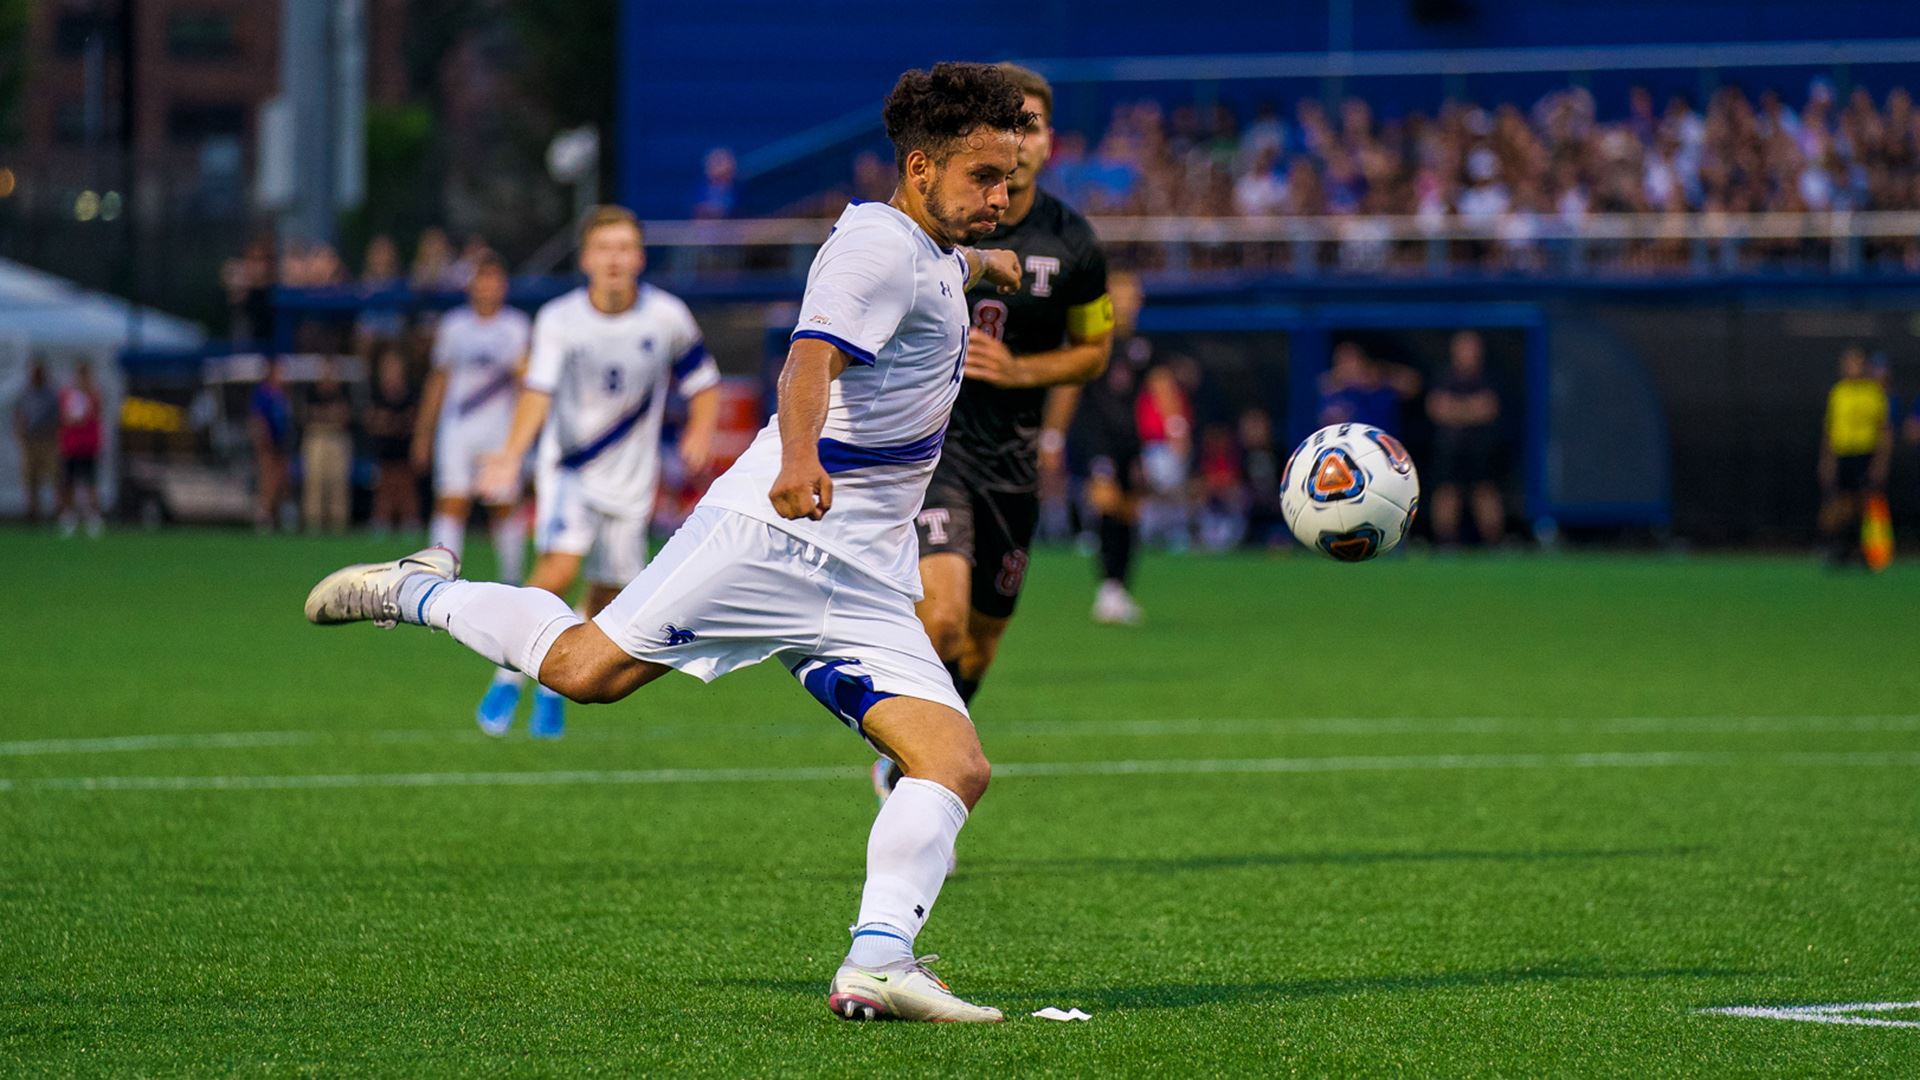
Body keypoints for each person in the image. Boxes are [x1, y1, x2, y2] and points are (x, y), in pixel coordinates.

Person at [303, 62, 1027, 1023]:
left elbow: (939, 274)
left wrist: (986, 263)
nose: (1002, 199)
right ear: (922, 167)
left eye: (1010, 182)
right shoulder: (874, 247)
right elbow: (810, 357)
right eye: (984, 179)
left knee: (955, 763)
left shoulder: (931, 248)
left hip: (859, 577)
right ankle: (420, 589)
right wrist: (799, 456)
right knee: (584, 670)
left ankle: (878, 961)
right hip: (771, 536)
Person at [905, 62, 1114, 749]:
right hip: (934, 449)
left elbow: (1094, 351)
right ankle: (915, 761)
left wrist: (1022, 369)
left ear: (1052, 141)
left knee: (982, 644)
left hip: (1012, 461)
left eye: (1032, 125)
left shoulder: (1074, 242)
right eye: (1008, 124)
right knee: (943, 620)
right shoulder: (940, 222)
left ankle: (921, 750)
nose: (1020, 141)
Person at [469, 206, 722, 739]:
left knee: (607, 597)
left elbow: (703, 382)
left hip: (632, 484)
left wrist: (701, 429)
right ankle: (505, 680)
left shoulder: (667, 316)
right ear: (585, 258)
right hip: (570, 473)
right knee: (557, 570)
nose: (614, 259)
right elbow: (536, 392)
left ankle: (550, 684)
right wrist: (513, 452)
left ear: (640, 257)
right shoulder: (560, 319)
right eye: (604, 248)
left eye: (625, 247)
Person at [411, 254, 533, 586]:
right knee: (452, 500)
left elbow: (529, 384)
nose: (488, 287)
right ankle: (437, 582)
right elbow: (438, 380)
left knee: (504, 504)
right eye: (482, 280)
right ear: (472, 285)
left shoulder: (516, 326)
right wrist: (424, 431)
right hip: (458, 428)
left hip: (501, 428)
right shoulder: (454, 326)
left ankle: (512, 581)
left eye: (494, 280)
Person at [1067, 270, 1148, 623]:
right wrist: (1054, 437)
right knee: (1107, 503)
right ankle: (1106, 589)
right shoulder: (1093, 341)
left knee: (1130, 511)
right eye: (1123, 292)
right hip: (1097, 438)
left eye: (1133, 294)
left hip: (1130, 441)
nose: (1130, 300)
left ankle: (1119, 587)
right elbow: (1068, 389)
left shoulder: (1140, 346)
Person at [1426, 330, 1506, 546]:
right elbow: (1436, 407)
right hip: (1450, 448)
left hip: (1481, 449)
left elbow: (1488, 408)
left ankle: (1493, 544)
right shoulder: (1443, 375)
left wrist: (1455, 410)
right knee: (1447, 492)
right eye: (1463, 347)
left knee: (1485, 492)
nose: (1468, 352)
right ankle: (1445, 544)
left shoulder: (1488, 377)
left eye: (1472, 347)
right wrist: (1470, 409)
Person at [1818, 345, 1891, 565]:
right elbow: (1829, 431)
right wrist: (1826, 461)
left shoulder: (1874, 393)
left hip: (1864, 454)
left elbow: (1884, 432)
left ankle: (1862, 550)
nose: (1852, 367)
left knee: (1863, 504)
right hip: (1843, 454)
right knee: (1840, 504)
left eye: (1857, 362)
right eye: (1849, 363)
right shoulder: (1838, 392)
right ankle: (1834, 547)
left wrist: (1880, 463)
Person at [362, 344, 421, 537]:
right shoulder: (375, 392)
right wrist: (391, 423)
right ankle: (381, 522)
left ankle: (410, 523)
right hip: (383, 450)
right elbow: (371, 419)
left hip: (405, 449)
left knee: (406, 485)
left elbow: (413, 420)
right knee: (384, 485)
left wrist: (392, 422)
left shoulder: (411, 392)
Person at [302, 357, 355, 534]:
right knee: (315, 481)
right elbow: (309, 416)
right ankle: (314, 523)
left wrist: (327, 416)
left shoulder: (343, 392)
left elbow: (344, 417)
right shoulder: (312, 392)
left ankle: (338, 525)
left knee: (338, 483)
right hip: (317, 438)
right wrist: (329, 416)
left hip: (337, 439)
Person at [55, 363, 105, 537]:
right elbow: (64, 417)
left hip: (88, 446)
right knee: (68, 482)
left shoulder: (93, 394)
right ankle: (68, 516)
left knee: (90, 482)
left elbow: (95, 413)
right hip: (71, 445)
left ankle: (93, 516)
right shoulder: (68, 394)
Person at [249, 359, 295, 532]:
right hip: (269, 443)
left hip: (282, 443)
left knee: (283, 481)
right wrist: (263, 441)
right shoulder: (263, 394)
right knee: (268, 481)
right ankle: (264, 517)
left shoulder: (282, 394)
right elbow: (258, 420)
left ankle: (280, 516)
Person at [13, 361, 59, 523]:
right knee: (30, 480)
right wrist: (20, 434)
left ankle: (57, 514)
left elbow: (58, 418)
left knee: (54, 478)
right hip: (29, 441)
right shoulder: (25, 393)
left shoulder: (51, 394)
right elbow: (18, 415)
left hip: (47, 442)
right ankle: (32, 514)